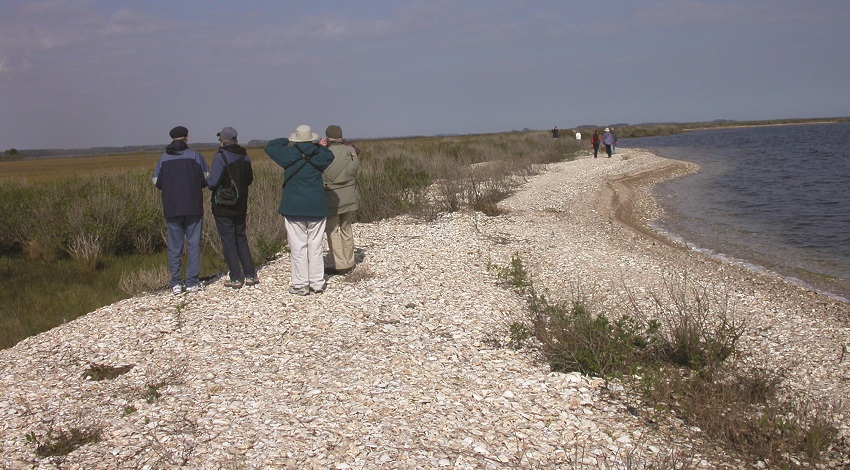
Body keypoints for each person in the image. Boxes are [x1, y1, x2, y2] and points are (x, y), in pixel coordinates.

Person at [265, 125, 335, 295]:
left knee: (298, 247)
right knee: (316, 246)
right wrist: (317, 145)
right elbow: (329, 155)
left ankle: (301, 284)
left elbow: (270, 146)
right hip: (316, 207)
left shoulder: (288, 154)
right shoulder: (321, 154)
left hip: (293, 207)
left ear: (296, 138)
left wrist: (287, 140)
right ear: (312, 138)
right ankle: (317, 283)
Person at [152, 126, 210, 295]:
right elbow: (206, 178)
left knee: (174, 246)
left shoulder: (163, 159)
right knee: (193, 245)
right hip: (193, 207)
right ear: (186, 138)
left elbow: (156, 182)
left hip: (172, 208)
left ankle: (176, 283)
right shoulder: (195, 156)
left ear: (171, 139)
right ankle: (192, 282)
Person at [207, 126, 258, 289]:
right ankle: (250, 275)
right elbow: (249, 179)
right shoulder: (244, 155)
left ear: (223, 140)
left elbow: (213, 183)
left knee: (228, 239)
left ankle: (235, 277)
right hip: (241, 202)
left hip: (223, 205)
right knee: (241, 237)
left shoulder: (220, 156)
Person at [320, 125, 360, 275]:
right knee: (346, 227)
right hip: (350, 193)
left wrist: (319, 147)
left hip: (331, 196)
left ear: (327, 138)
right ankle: (350, 261)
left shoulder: (324, 153)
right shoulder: (351, 151)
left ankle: (340, 264)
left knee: (332, 229)